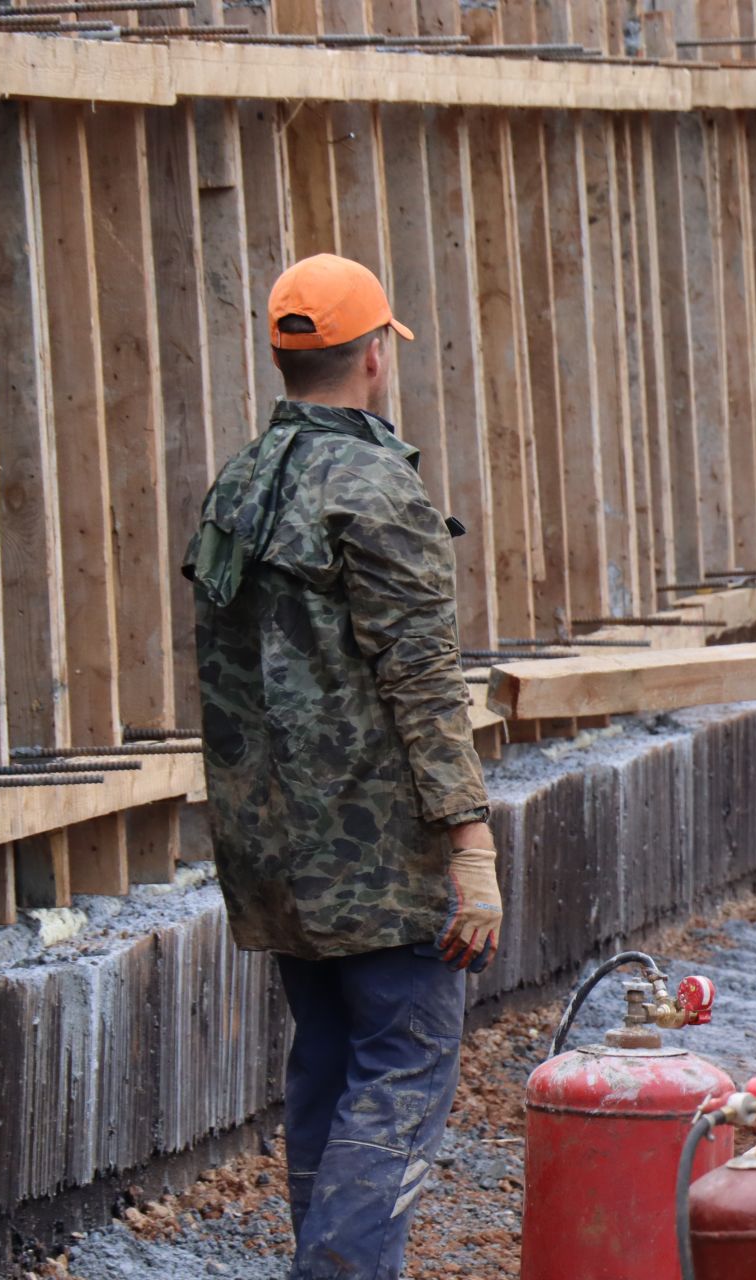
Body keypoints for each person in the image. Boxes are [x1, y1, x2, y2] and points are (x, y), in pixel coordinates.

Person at [185, 253, 500, 1279]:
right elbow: (421, 677)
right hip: (376, 866)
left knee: (327, 1064)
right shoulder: (375, 484)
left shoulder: (238, 481)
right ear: (374, 356)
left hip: (275, 856)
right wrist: (471, 841)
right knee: (403, 1067)